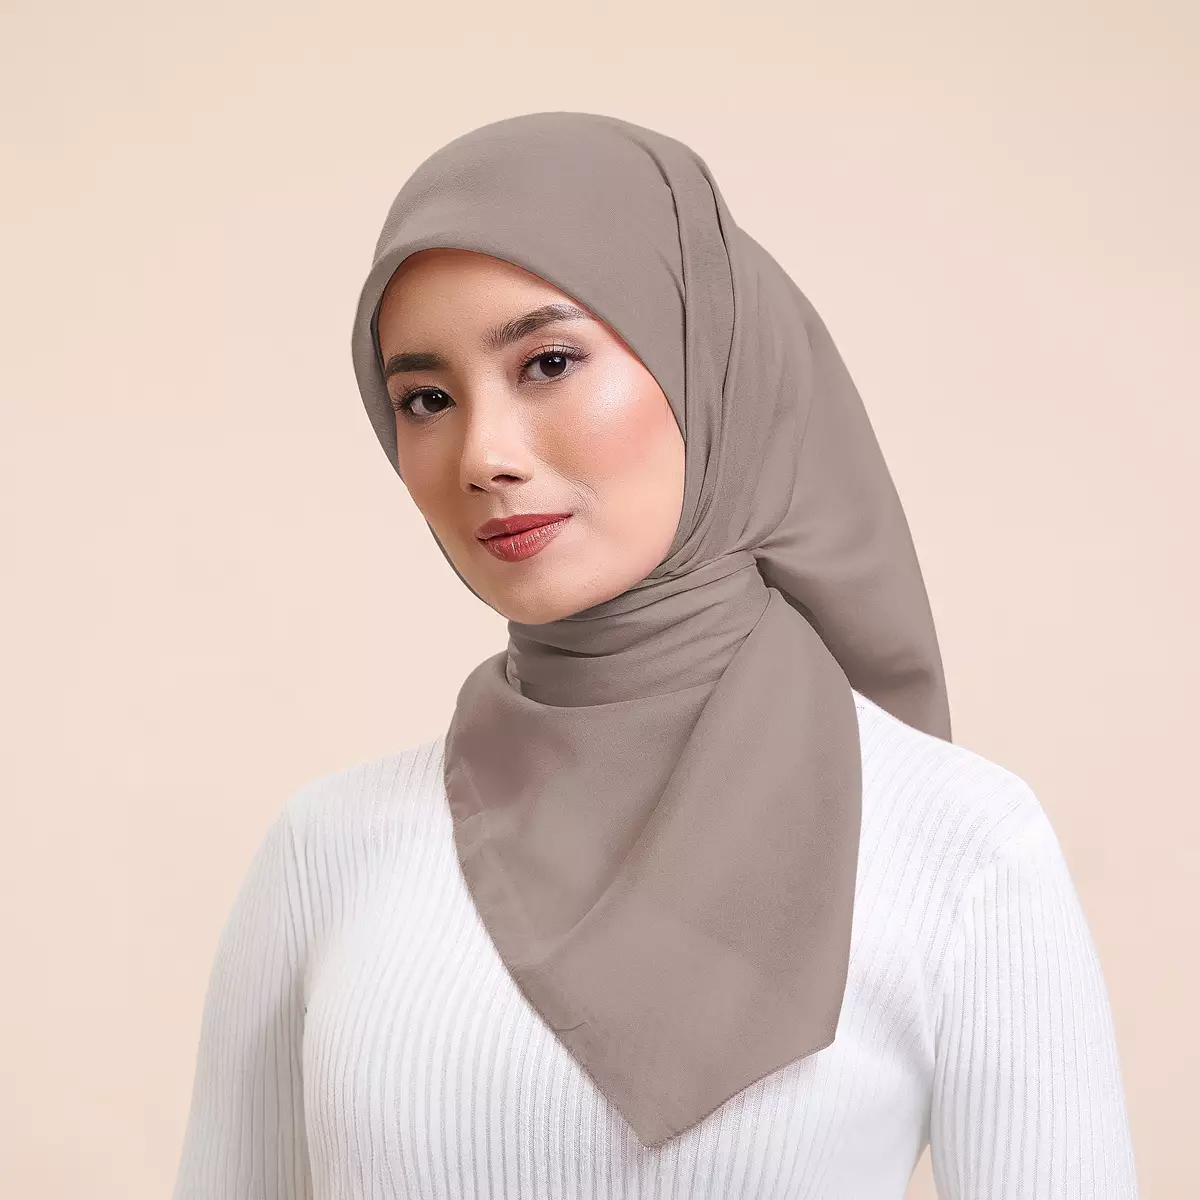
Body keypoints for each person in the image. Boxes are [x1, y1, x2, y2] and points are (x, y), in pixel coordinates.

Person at [171, 112, 1138, 1198]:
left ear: (706, 364)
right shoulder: (326, 852)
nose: (484, 455)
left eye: (548, 362)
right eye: (426, 399)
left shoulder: (964, 848)